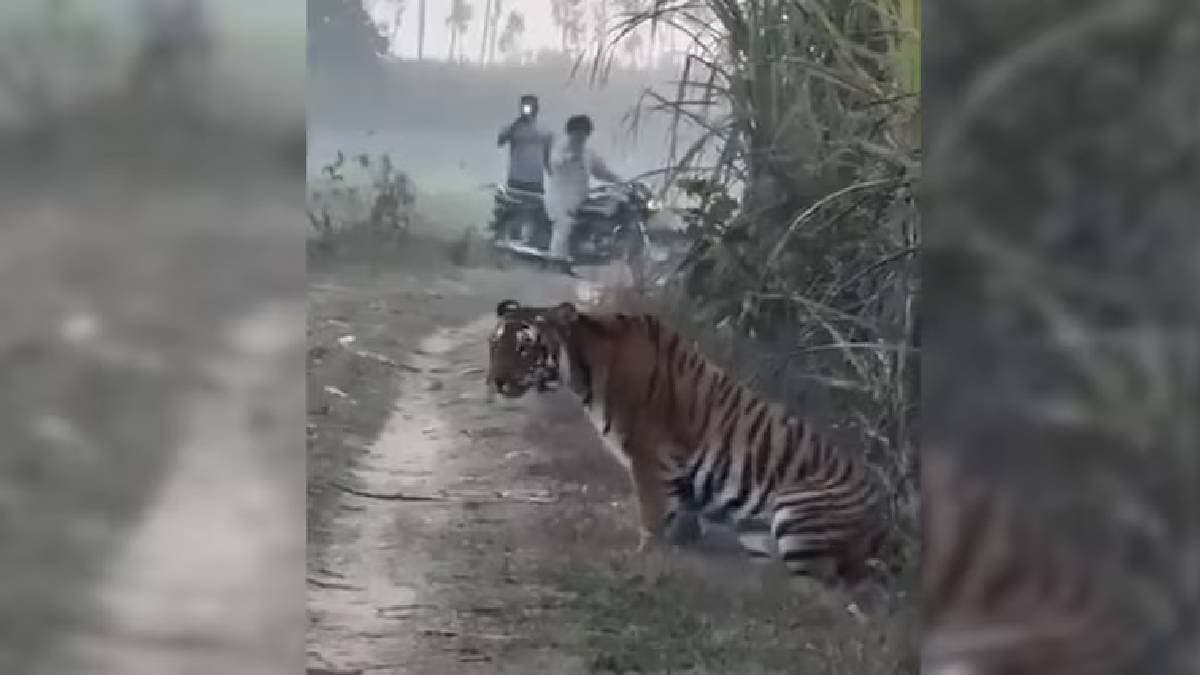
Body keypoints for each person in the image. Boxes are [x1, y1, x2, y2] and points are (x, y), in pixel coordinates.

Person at [545, 114, 624, 277]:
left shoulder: (588, 153)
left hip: (581, 199)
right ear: (570, 132)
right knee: (564, 225)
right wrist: (570, 157)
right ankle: (556, 262)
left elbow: (602, 171)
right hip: (560, 198)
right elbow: (555, 163)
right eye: (577, 132)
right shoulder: (561, 148)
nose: (581, 136)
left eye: (584, 132)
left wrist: (619, 180)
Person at [495, 95, 553, 242]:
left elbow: (547, 157)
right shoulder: (514, 128)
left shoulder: (545, 130)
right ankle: (509, 242)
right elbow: (500, 141)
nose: (527, 109)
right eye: (524, 106)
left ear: (536, 108)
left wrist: (553, 175)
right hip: (516, 179)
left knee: (537, 214)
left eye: (530, 106)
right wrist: (514, 126)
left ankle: (534, 243)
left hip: (535, 180)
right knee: (513, 211)